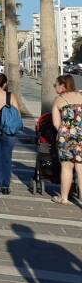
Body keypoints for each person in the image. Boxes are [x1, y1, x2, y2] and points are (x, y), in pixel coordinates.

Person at [52, 74, 82, 205]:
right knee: (80, 168)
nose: (55, 88)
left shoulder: (59, 100)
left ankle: (64, 198)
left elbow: (55, 123)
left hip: (66, 137)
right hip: (81, 135)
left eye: (56, 85)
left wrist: (66, 131)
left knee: (66, 167)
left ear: (63, 86)